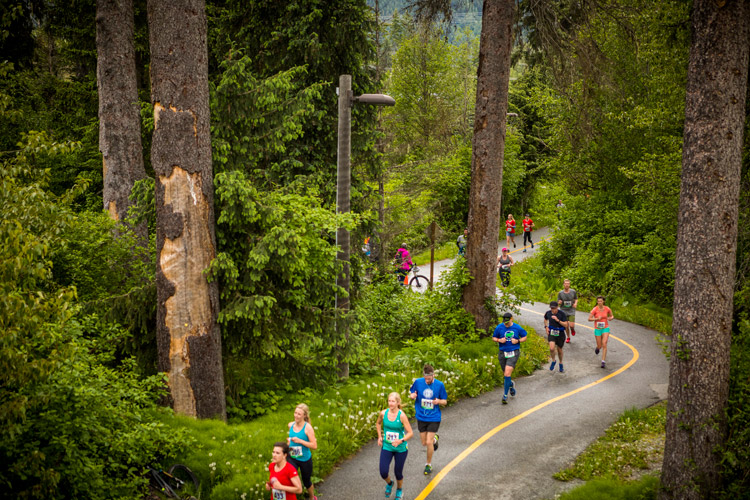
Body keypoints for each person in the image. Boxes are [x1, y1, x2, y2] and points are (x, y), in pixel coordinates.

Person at [409, 364, 447, 475]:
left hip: (434, 417)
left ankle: (428, 465)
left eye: (429, 379)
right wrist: (412, 396)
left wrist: (438, 401)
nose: (427, 381)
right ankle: (435, 439)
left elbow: (445, 401)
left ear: (433, 375)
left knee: (428, 442)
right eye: (426, 379)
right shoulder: (418, 382)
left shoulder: (440, 385)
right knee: (424, 442)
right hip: (421, 416)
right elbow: (412, 392)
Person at [376, 392, 413, 500]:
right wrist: (379, 436)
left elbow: (410, 433)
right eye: (389, 401)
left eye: (393, 401)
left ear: (398, 402)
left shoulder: (401, 415)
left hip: (400, 449)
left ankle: (399, 489)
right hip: (387, 446)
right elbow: (378, 423)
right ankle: (390, 483)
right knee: (383, 472)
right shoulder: (383, 413)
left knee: (398, 472)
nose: (391, 403)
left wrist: (401, 440)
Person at [492, 312, 527, 404]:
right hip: (502, 352)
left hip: (513, 352)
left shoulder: (517, 327)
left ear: (512, 319)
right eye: (504, 322)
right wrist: (499, 340)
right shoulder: (499, 327)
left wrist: (518, 340)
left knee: (507, 374)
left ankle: (505, 395)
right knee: (505, 374)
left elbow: (524, 336)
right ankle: (511, 385)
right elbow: (494, 337)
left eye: (507, 321)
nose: (506, 323)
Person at [287, 403, 318, 500]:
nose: (296, 415)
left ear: (304, 415)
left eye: (299, 414)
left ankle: (312, 497)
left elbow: (314, 446)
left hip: (304, 459)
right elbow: (291, 440)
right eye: (295, 413)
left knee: (306, 481)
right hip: (292, 457)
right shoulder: (290, 425)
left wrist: (300, 441)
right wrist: (288, 443)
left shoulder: (308, 428)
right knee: (289, 479)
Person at [588, 296, 615, 368]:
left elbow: (612, 316)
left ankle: (603, 361)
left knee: (604, 343)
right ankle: (597, 348)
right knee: (600, 345)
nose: (599, 302)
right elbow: (589, 319)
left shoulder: (607, 308)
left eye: (601, 301)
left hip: (605, 328)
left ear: (603, 301)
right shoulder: (595, 309)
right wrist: (596, 318)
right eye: (598, 301)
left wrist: (610, 318)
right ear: (597, 302)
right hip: (598, 329)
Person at [544, 301, 569, 373]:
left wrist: (558, 320)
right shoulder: (548, 313)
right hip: (552, 332)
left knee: (559, 349)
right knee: (551, 348)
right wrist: (546, 327)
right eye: (551, 308)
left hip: (560, 333)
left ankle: (561, 363)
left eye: (554, 308)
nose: (553, 310)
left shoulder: (562, 314)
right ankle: (553, 360)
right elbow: (545, 319)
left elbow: (566, 325)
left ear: (557, 307)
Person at [557, 279, 579, 344]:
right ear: (563, 284)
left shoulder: (573, 291)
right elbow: (558, 301)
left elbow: (576, 299)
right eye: (565, 283)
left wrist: (575, 303)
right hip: (563, 310)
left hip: (571, 310)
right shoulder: (560, 293)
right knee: (566, 325)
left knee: (571, 325)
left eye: (568, 283)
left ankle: (572, 329)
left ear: (569, 284)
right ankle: (568, 337)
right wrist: (559, 302)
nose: (567, 285)